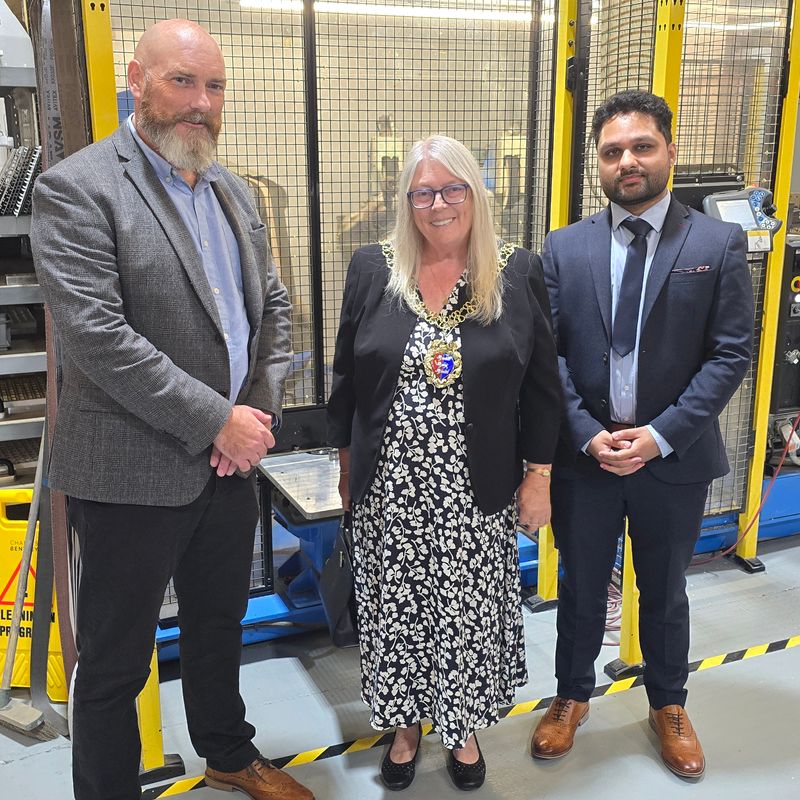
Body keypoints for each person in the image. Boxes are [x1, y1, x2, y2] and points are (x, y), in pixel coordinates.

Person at [30, 19, 313, 800]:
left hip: (230, 462)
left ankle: (227, 751)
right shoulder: (80, 187)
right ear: (137, 80)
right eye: (183, 81)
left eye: (215, 86)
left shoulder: (231, 189)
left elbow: (275, 308)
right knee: (116, 660)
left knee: (217, 625)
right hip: (128, 469)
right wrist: (214, 419)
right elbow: (96, 337)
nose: (202, 103)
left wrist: (252, 414)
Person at [327, 135, 561, 791]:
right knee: (396, 613)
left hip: (473, 486)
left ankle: (460, 729)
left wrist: (539, 476)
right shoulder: (375, 268)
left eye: (453, 188)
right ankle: (405, 728)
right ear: (407, 201)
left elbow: (544, 385)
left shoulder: (514, 270)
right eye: (423, 192)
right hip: (389, 490)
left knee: (465, 614)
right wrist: (346, 465)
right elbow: (346, 376)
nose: (438, 204)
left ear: (475, 195)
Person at [532, 90, 754, 778]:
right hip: (586, 457)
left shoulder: (716, 244)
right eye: (612, 151)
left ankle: (668, 703)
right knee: (580, 583)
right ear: (599, 164)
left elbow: (731, 352)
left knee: (664, 589)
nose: (627, 161)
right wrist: (585, 432)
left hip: (672, 457)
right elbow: (550, 355)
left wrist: (659, 436)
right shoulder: (565, 248)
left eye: (641, 146)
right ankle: (572, 696)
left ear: (669, 152)